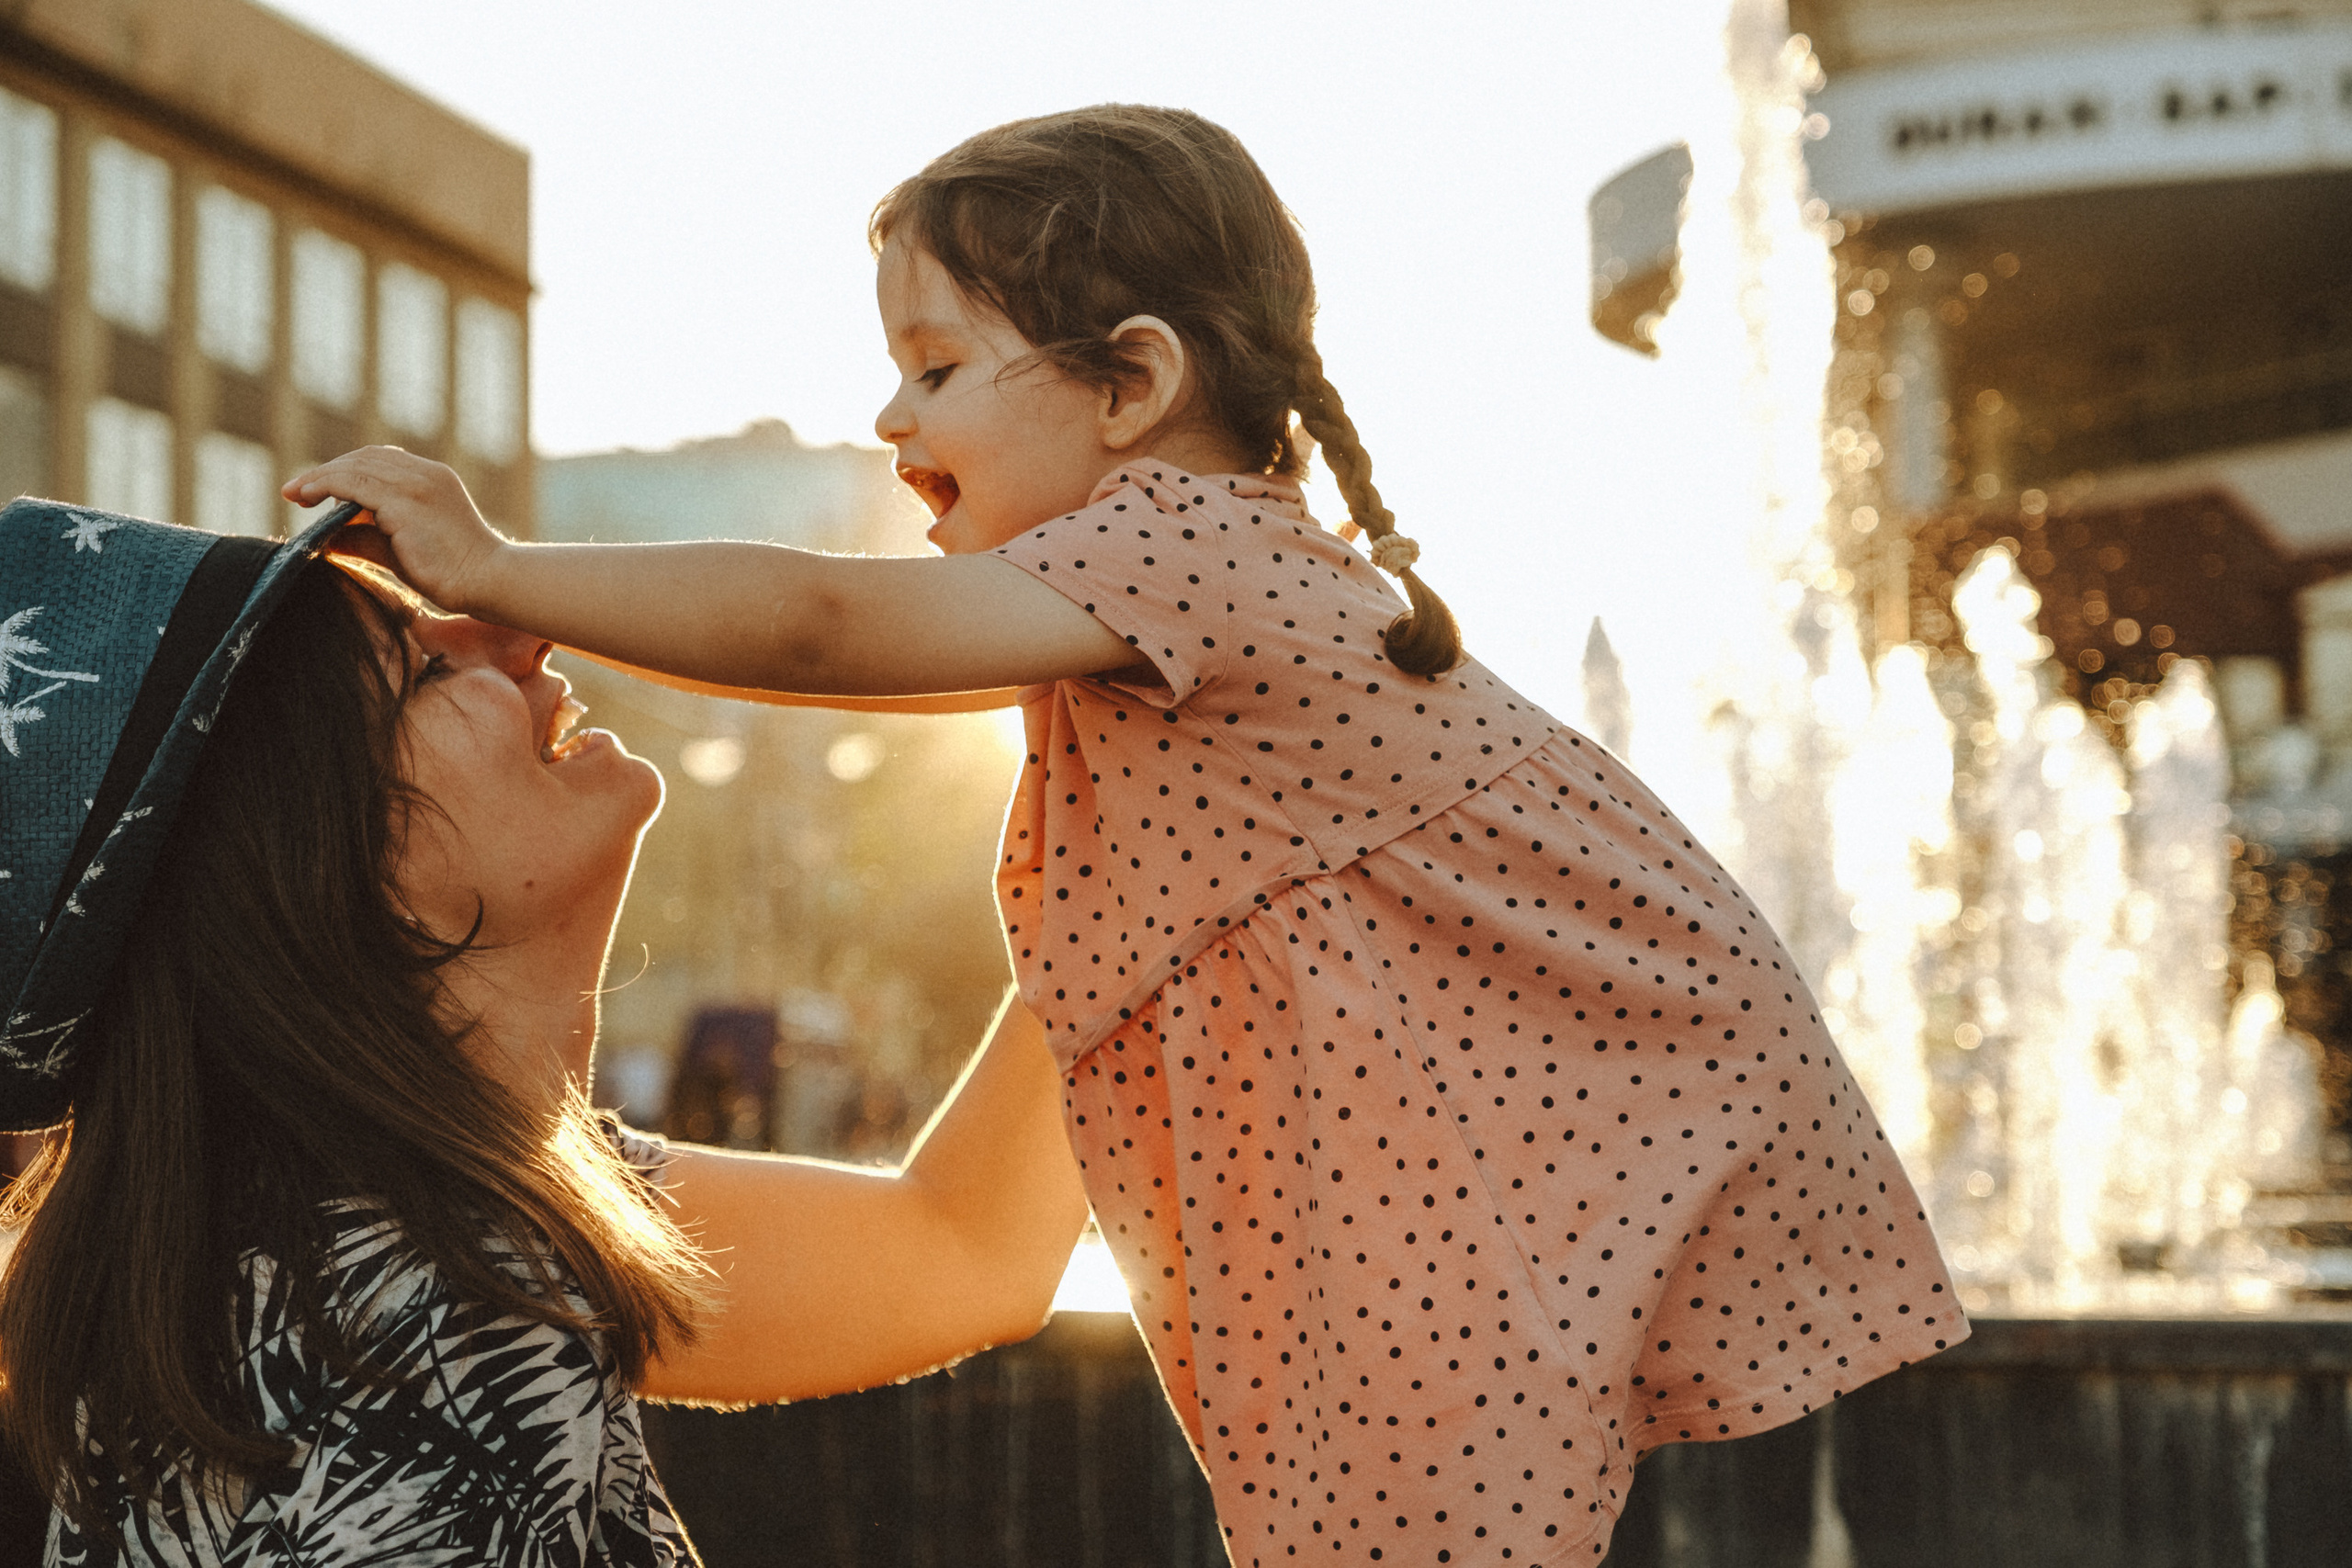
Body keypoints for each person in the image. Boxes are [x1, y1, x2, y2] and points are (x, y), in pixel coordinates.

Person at [286, 104, 1967, 1565]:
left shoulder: (1190, 551)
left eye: (936, 369)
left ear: (1135, 383)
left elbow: (810, 623)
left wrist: (498, 562)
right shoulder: (1190, 612)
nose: (891, 421)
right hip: (1420, 1164)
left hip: (1450, 1166)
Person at [0, 500, 1088, 1565]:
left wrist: (1152, 798)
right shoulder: (412, 1318)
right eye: (423, 669)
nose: (515, 633)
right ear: (322, 866)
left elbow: (965, 1247)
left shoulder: (408, 1219)